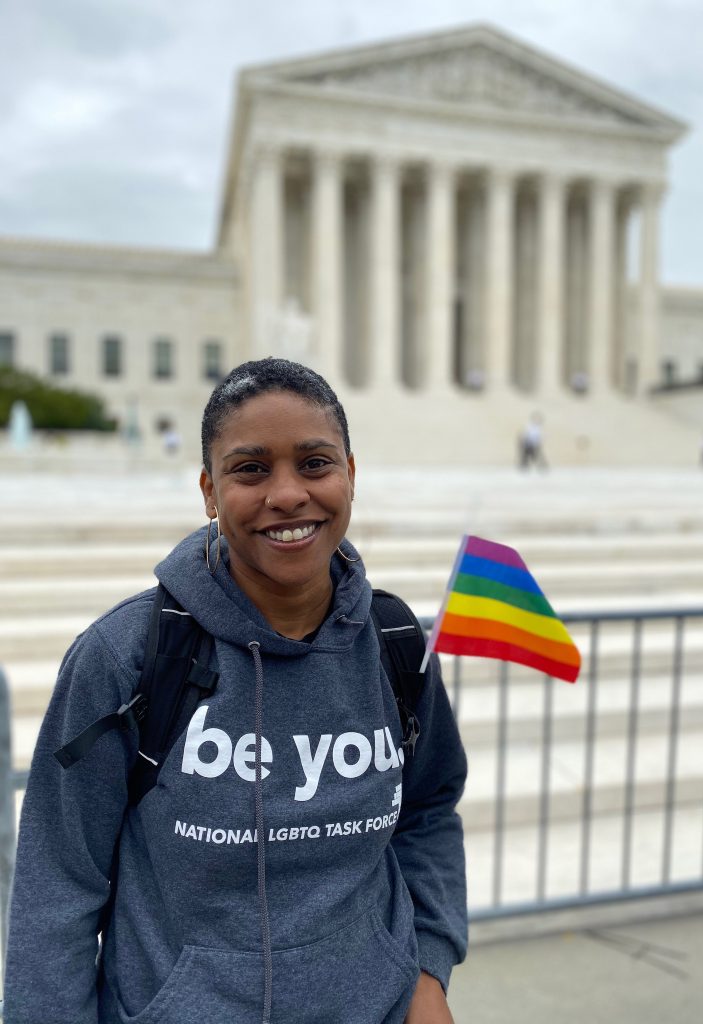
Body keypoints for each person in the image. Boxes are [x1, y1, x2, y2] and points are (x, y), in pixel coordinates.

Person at [3, 359, 467, 1024]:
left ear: (351, 475)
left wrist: (428, 969)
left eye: (315, 463)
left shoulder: (395, 643)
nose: (287, 494)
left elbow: (428, 809)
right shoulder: (125, 657)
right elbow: (58, 888)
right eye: (251, 469)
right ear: (209, 491)